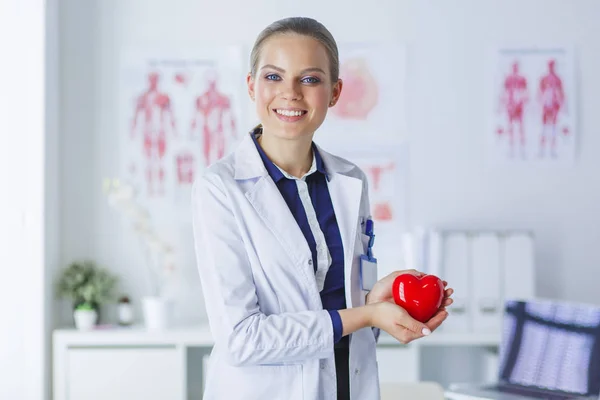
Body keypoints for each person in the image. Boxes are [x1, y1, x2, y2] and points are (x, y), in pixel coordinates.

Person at [191, 17, 453, 400]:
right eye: (273, 77)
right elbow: (241, 339)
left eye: (310, 79)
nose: (290, 93)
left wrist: (376, 303)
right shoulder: (220, 190)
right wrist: (364, 315)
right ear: (251, 86)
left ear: (335, 92)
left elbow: (348, 315)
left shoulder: (351, 181)